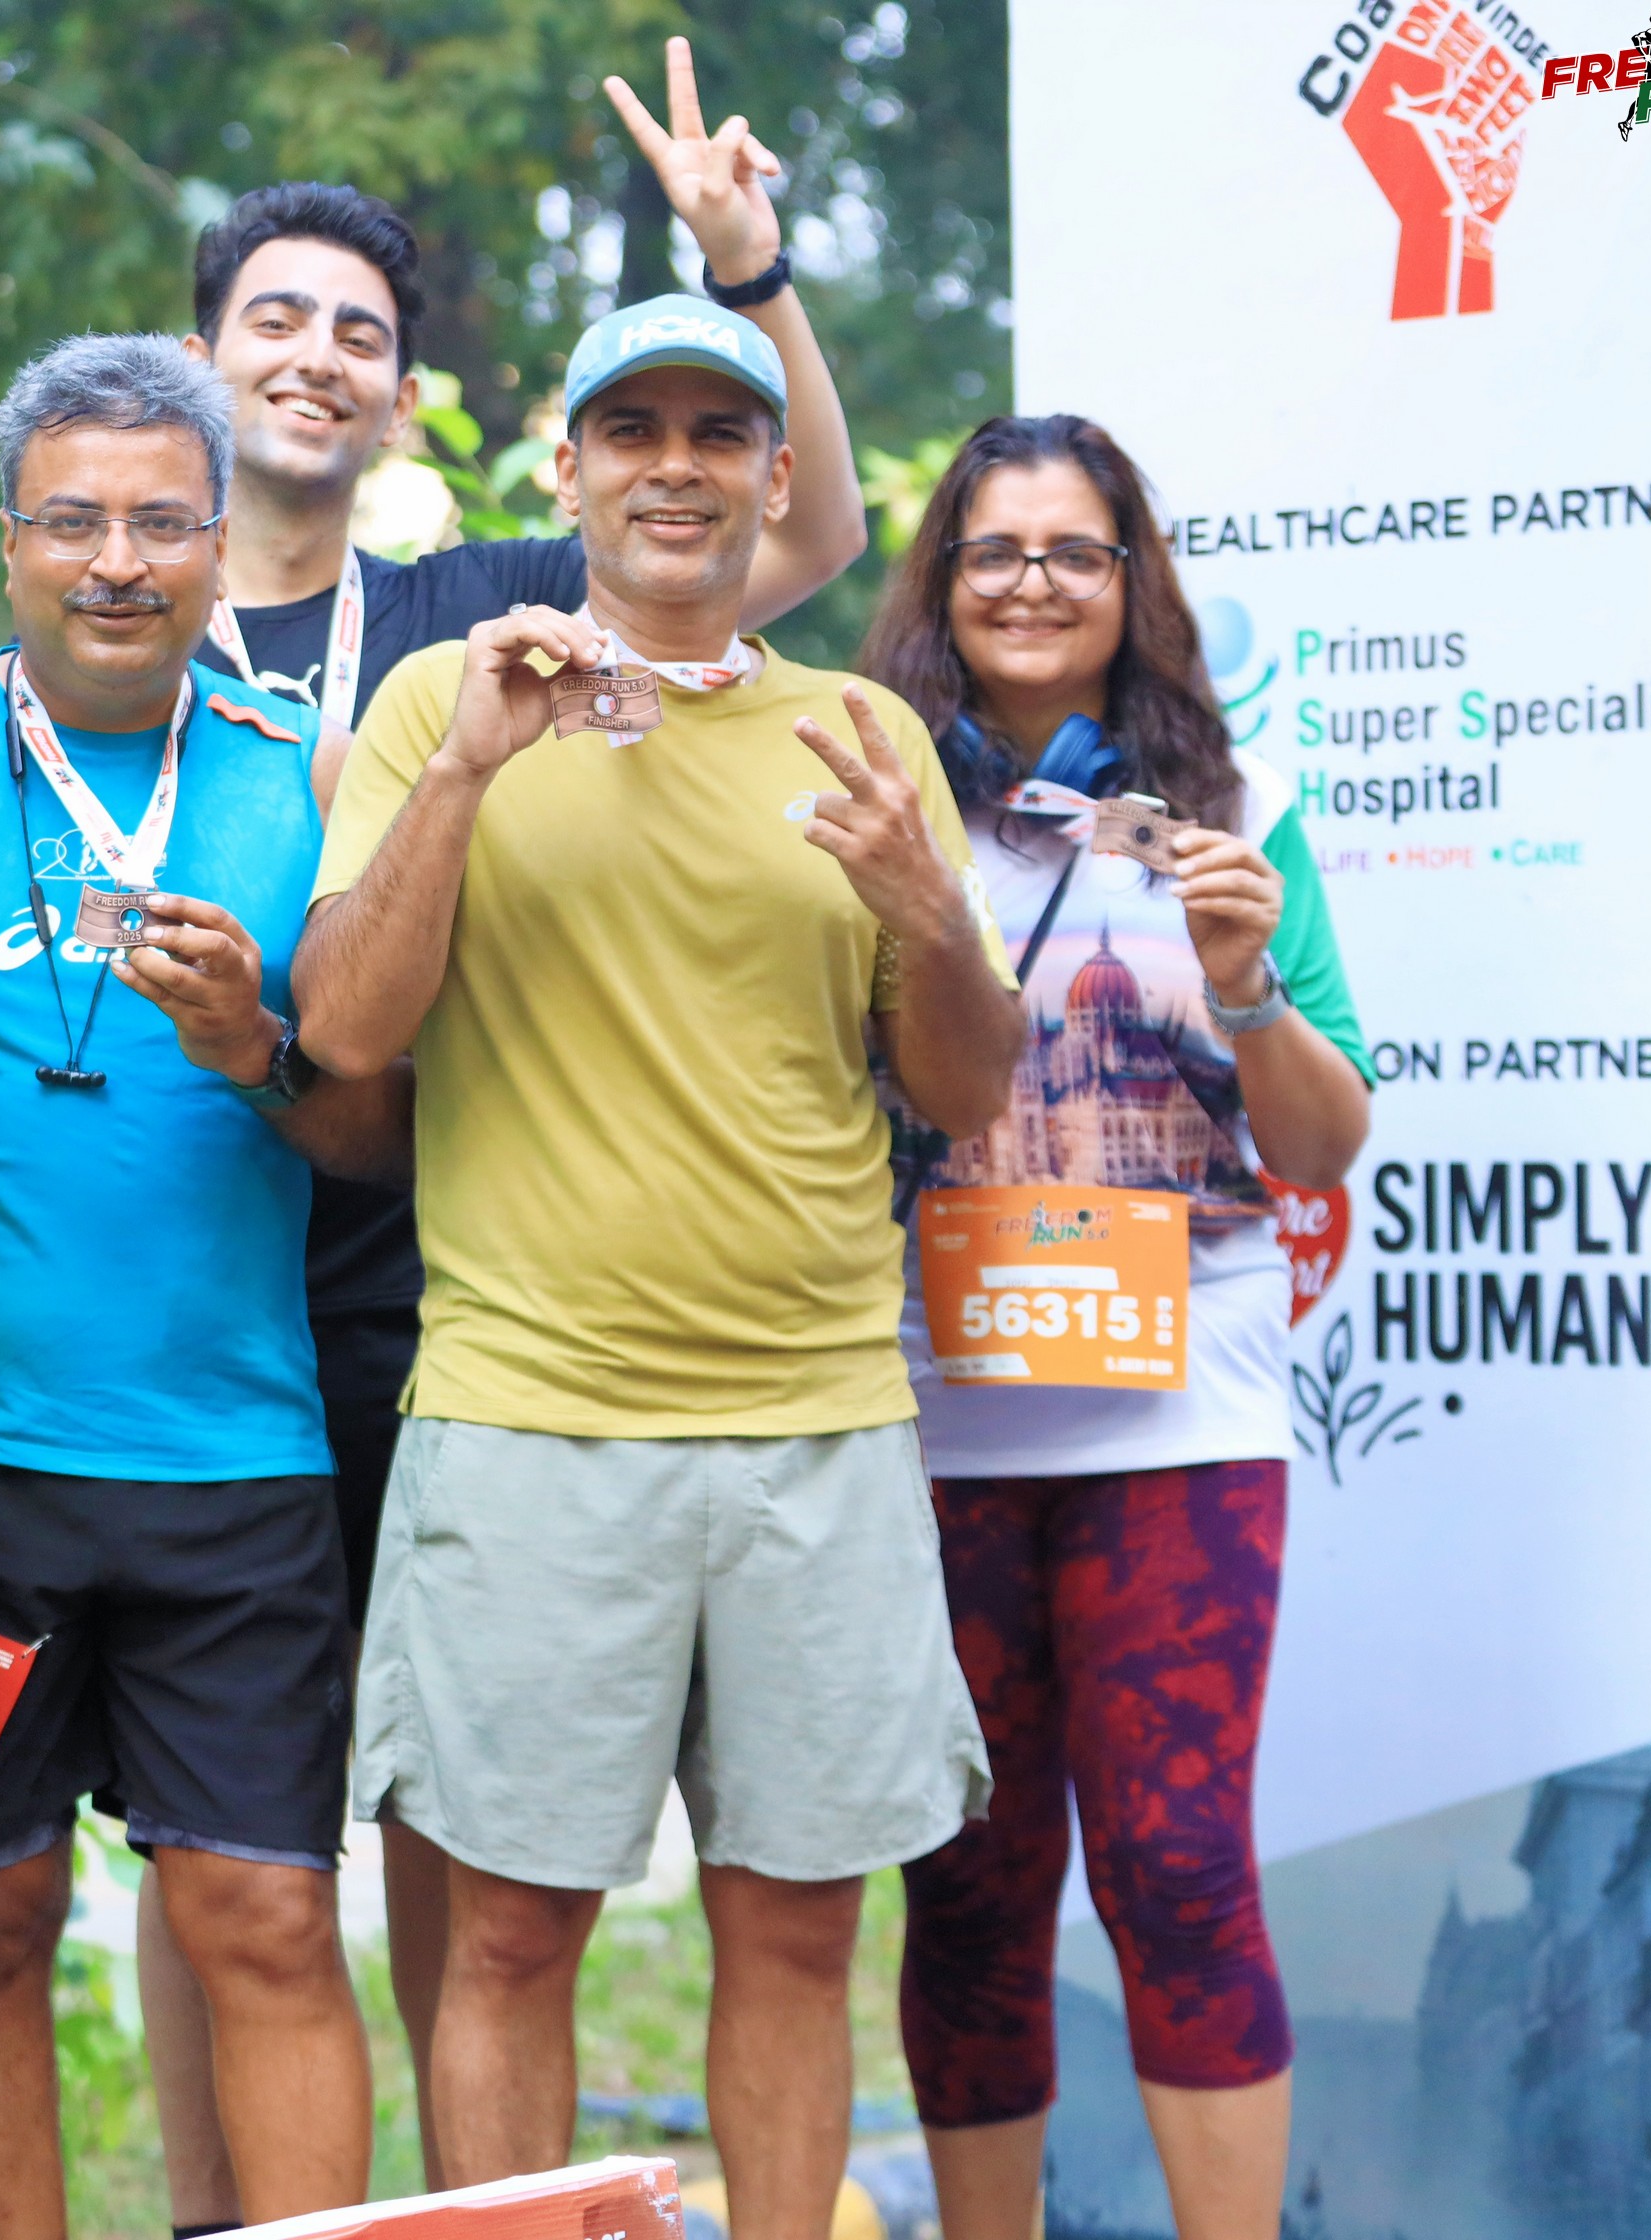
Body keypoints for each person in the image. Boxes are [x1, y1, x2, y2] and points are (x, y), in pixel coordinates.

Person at [157, 43, 874, 2210]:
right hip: (173, 1291)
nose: (316, 354)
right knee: (218, 1837)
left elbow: (805, 532)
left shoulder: (473, 614)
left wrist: (748, 272)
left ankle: (466, 2207)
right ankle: (225, 2210)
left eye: (359, 332)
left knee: (459, 1840)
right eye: (274, 317)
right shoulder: (106, 610)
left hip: (426, 1280)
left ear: (402, 400)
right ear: (198, 362)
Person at [291, 291, 1022, 2232]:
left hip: (820, 1424)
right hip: (530, 1417)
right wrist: (471, 771)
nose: (675, 468)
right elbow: (345, 1032)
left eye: (719, 434)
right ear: (570, 468)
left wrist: (928, 906)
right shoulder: (441, 699)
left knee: (796, 1938)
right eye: (634, 430)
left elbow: (965, 1087)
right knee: (508, 1938)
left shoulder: (864, 733)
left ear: (777, 479)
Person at [0, 334, 409, 2238]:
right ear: (7, 544)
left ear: (223, 544)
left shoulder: (307, 773)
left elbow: (376, 1136)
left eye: (162, 523)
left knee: (267, 1916)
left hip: (230, 1464)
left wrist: (256, 1049)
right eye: (72, 521)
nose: (117, 562)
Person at [853, 416, 1372, 2240]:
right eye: (994, 550)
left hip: (1182, 1421)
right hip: (932, 1421)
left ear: (1132, 581)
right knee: (970, 1888)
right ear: (941, 580)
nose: (1032, 585)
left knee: (1178, 1870)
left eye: (1075, 551)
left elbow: (1321, 1145)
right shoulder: (873, 807)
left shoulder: (1240, 809)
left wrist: (1245, 983)